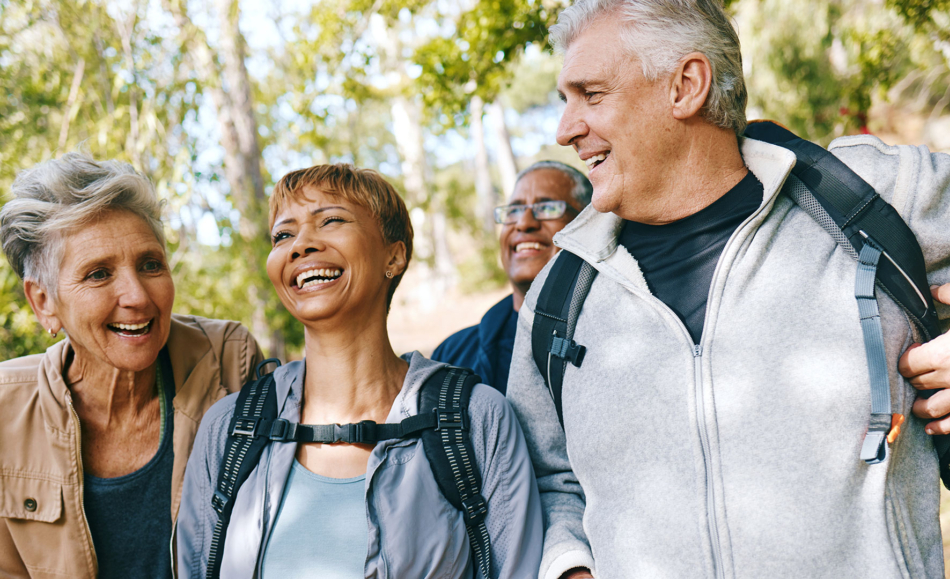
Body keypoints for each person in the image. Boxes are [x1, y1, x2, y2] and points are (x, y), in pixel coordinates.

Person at [504, 1, 950, 578]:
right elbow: (552, 479)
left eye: (592, 95)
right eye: (564, 100)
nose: (565, 130)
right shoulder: (561, 295)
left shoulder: (869, 198)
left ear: (686, 86)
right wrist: (570, 567)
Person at [176, 163, 543, 578]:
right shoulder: (229, 428)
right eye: (283, 234)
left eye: (331, 220)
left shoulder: (477, 420)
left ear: (394, 254)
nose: (301, 245)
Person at [0, 153, 263, 578]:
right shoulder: (5, 412)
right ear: (44, 303)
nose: (138, 296)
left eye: (150, 264)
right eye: (99, 274)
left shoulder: (228, 360)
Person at [433, 161, 592, 394]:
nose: (524, 223)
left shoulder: (618, 339)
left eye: (547, 208)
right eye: (514, 210)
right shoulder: (451, 357)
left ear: (588, 225)